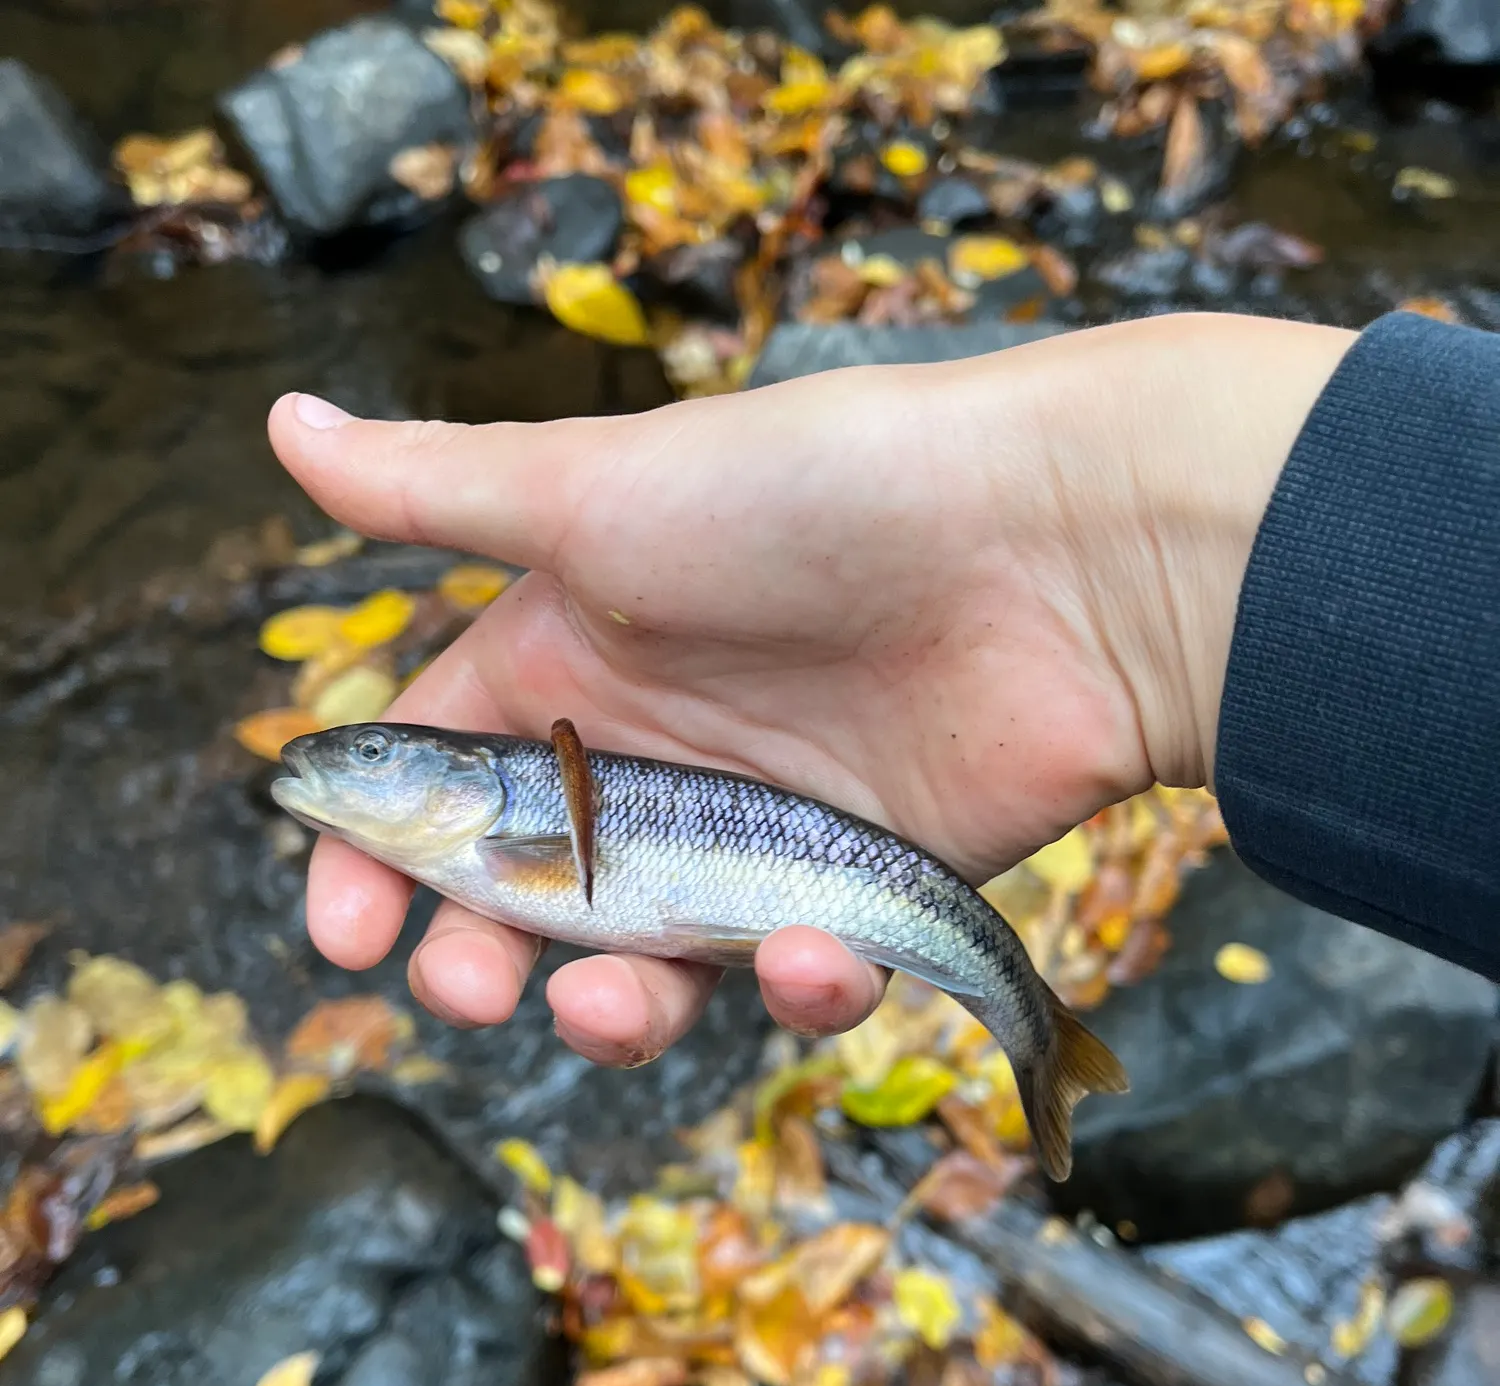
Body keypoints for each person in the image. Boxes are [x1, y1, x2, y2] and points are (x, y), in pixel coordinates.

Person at [266, 308, 1499, 1068]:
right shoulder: (507, 830)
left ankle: (1038, 1037)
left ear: (462, 775)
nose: (340, 762)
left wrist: (1117, 558)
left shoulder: (506, 830)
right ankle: (1042, 1038)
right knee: (788, 974)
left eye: (373, 755)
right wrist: (1125, 565)